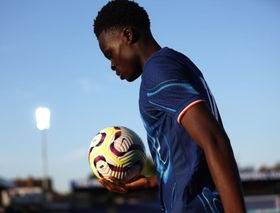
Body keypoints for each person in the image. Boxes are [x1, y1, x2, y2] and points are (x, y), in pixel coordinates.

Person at [93, 1, 246, 212]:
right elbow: (192, 156)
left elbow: (214, 140)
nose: (111, 64)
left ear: (128, 35)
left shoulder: (157, 72)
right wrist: (152, 182)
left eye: (110, 54)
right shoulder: (173, 62)